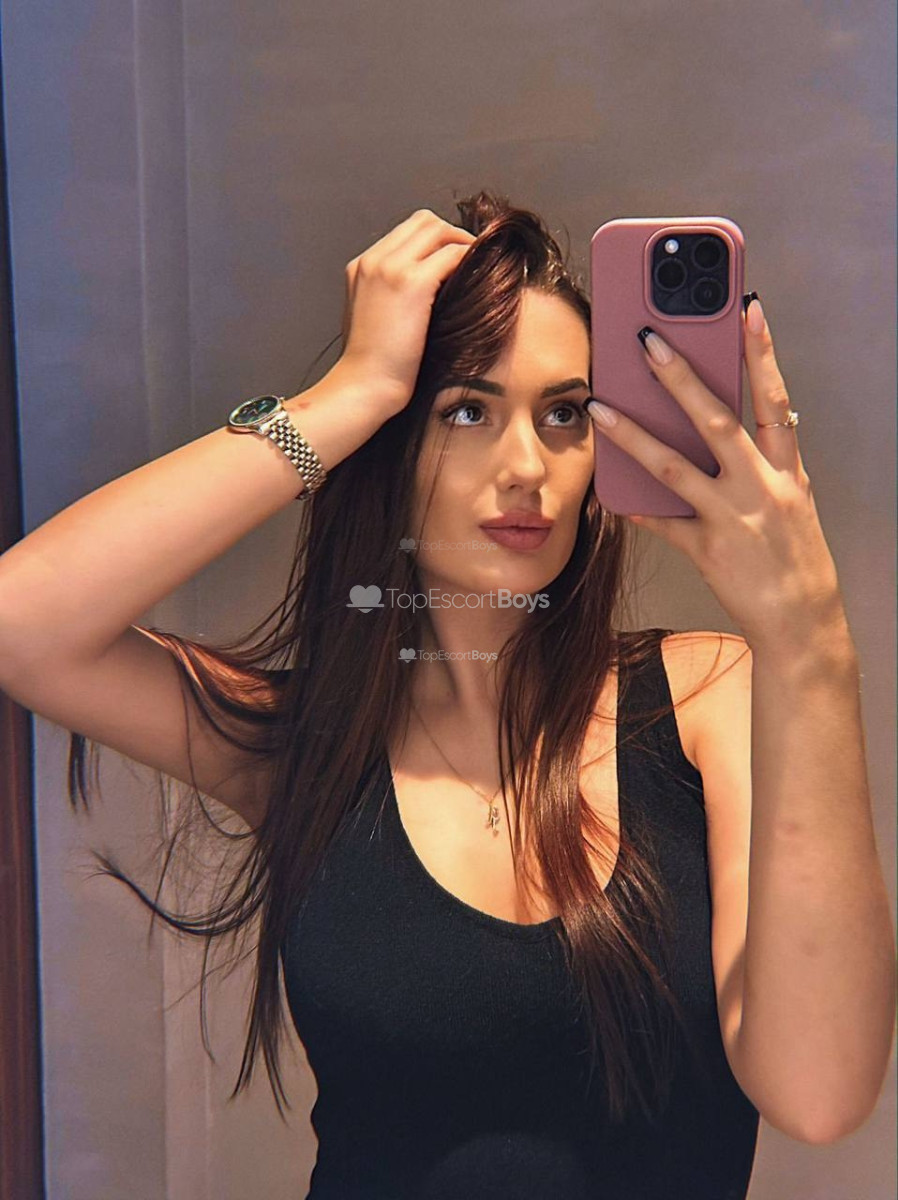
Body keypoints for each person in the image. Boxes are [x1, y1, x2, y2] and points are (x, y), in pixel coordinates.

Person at [0, 192, 893, 1200]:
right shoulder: (303, 746)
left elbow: (820, 1093)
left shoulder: (703, 700)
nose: (527, 466)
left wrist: (809, 638)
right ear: (393, 443)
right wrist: (345, 398)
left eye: (564, 414)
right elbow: (23, 624)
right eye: (466, 410)